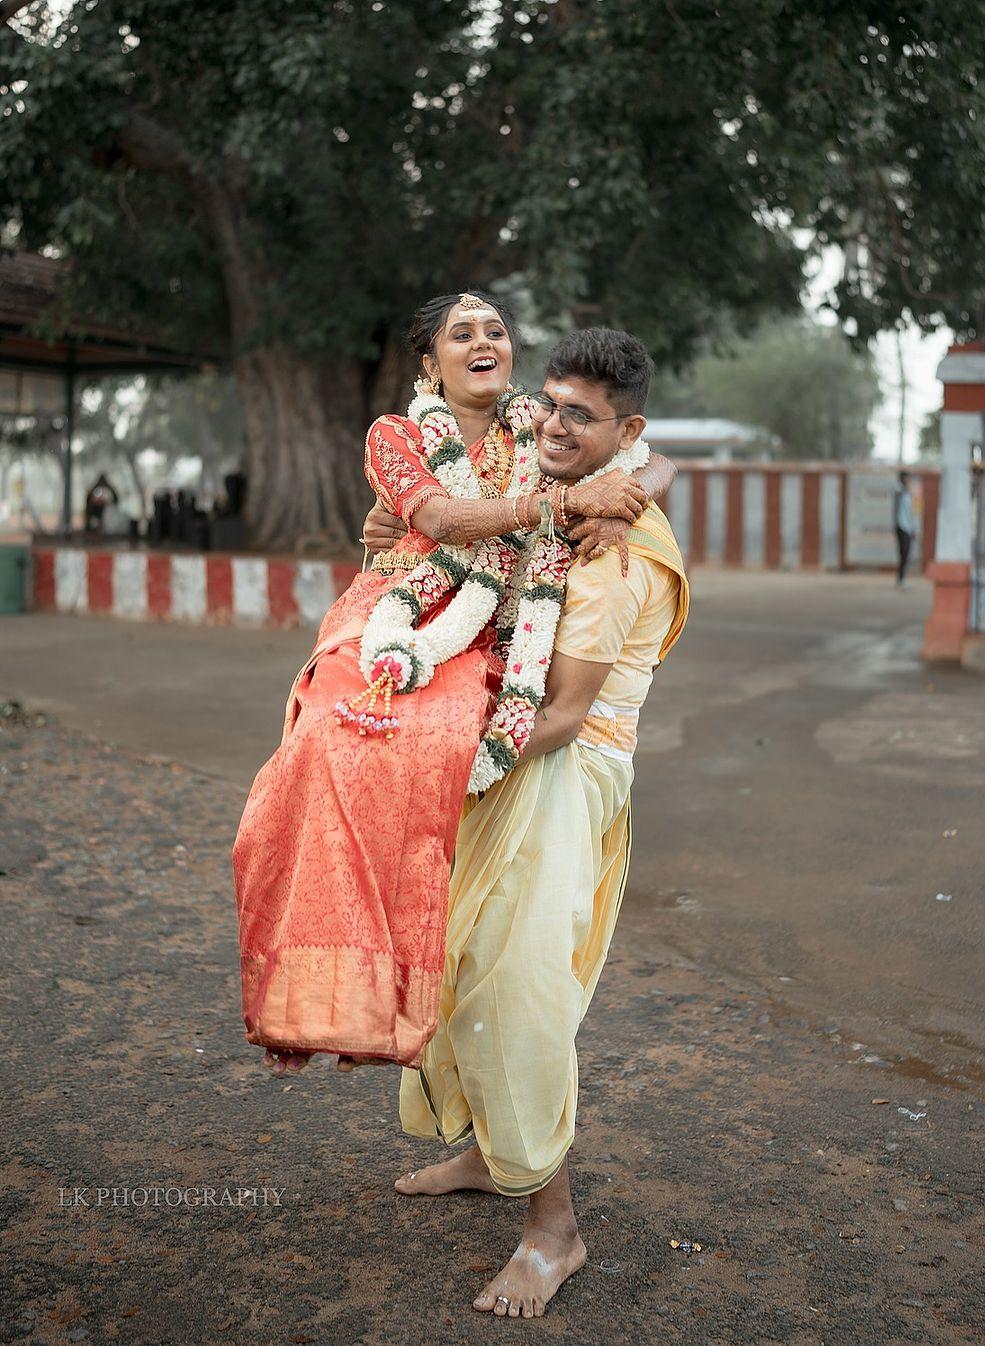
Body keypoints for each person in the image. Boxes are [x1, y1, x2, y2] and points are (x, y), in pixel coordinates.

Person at [233, 292, 676, 1076]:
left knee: (431, 763)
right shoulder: (396, 433)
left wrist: (629, 499)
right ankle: (320, 996)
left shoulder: (538, 423)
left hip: (487, 636)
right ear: (428, 364)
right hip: (392, 617)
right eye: (461, 333)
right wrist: (571, 503)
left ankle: (389, 1001)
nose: (483, 341)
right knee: (323, 747)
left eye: (496, 331)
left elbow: (647, 451)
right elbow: (436, 518)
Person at [388, 328, 688, 1319]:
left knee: (519, 988)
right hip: (508, 760)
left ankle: (554, 1230)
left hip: (560, 769)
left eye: (582, 415)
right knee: (461, 956)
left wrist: (443, 774)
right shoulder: (566, 496)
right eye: (550, 402)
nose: (555, 424)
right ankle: (486, 1152)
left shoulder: (616, 549)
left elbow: (557, 712)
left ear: (626, 431)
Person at [893, 470, 915, 586]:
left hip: (908, 528)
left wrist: (913, 529)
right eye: (906, 478)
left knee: (906, 553)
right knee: (903, 553)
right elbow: (898, 492)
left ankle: (902, 577)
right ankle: (901, 578)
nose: (908, 481)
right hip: (901, 526)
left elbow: (911, 513)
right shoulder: (899, 490)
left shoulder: (907, 493)